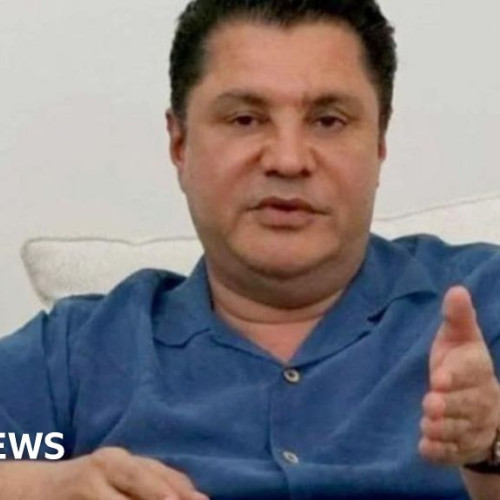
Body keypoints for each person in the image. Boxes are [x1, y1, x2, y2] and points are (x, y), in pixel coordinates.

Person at [1, 0, 500, 498]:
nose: (288, 159)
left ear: (380, 143)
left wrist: (490, 446)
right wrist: (45, 484)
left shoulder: (481, 308)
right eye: (245, 119)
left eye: (328, 121)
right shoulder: (76, 356)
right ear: (179, 144)